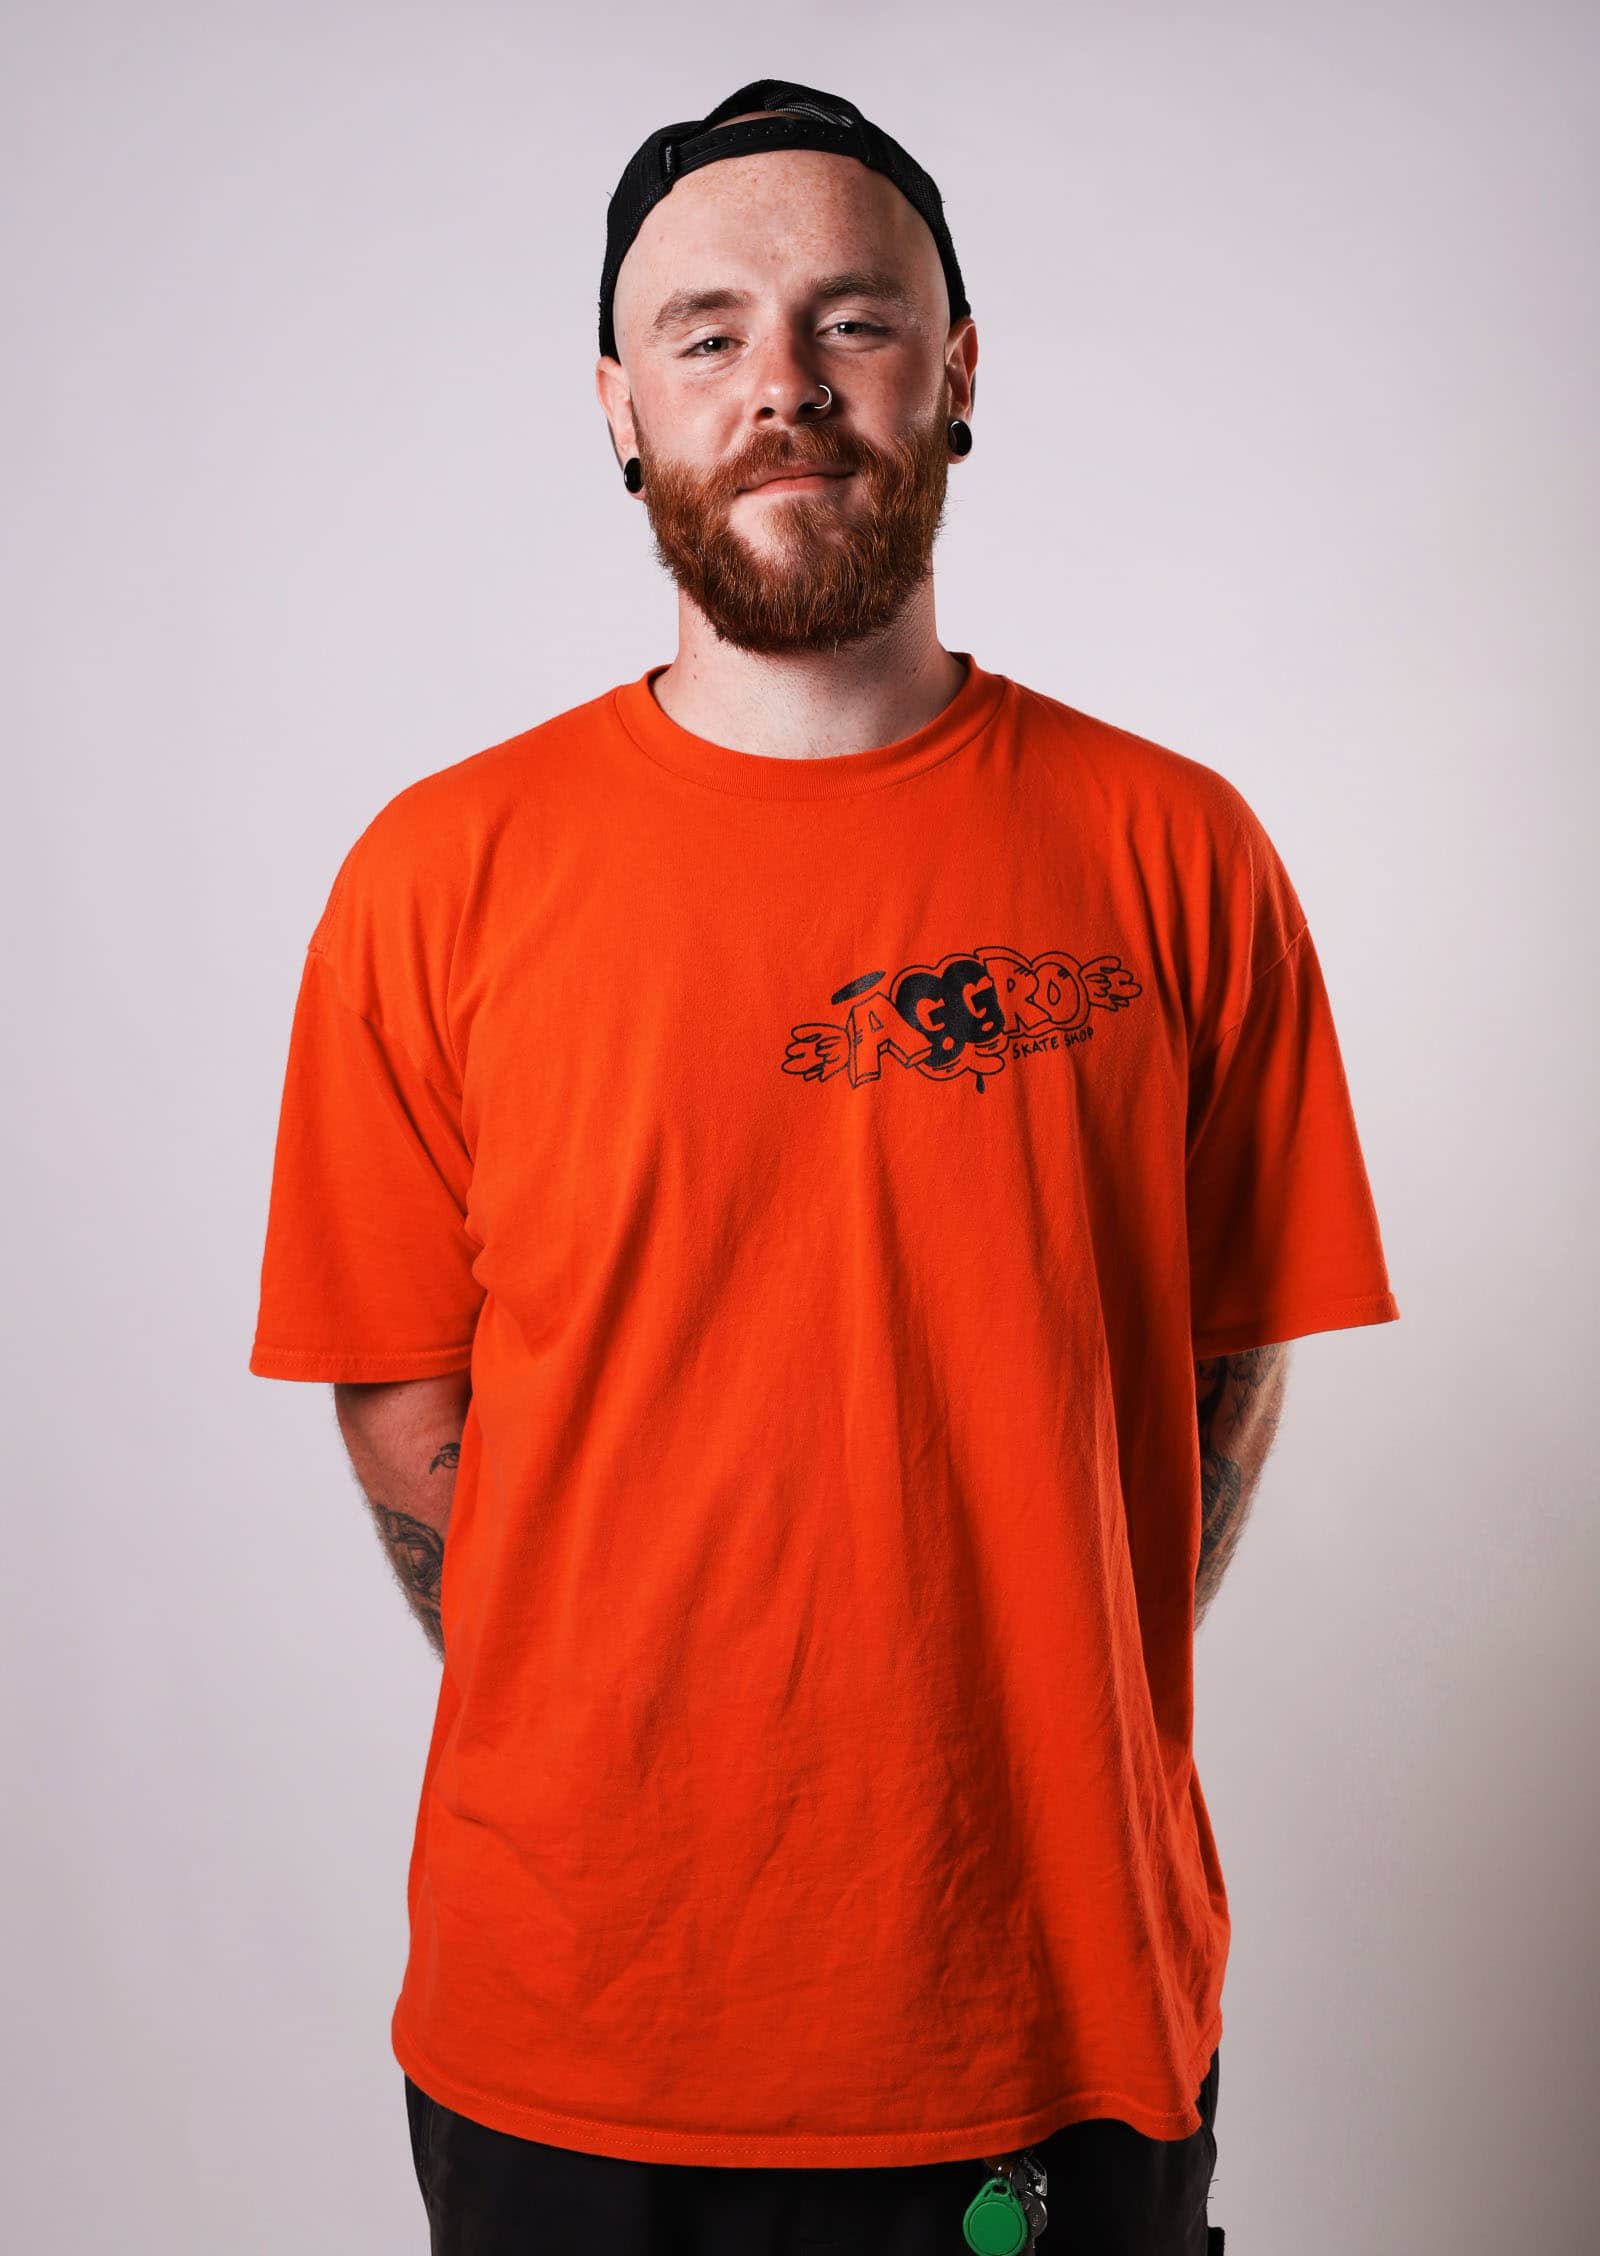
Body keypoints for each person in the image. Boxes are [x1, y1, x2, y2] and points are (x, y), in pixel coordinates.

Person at [247, 76, 1400, 2256]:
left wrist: (1021, 1674)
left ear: (954, 371)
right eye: (705, 333)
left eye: (850, 319)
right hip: (575, 2032)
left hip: (1052, 2020)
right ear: (621, 408)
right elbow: (402, 1401)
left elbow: (1225, 1352)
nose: (779, 382)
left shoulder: (1176, 852)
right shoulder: (436, 879)